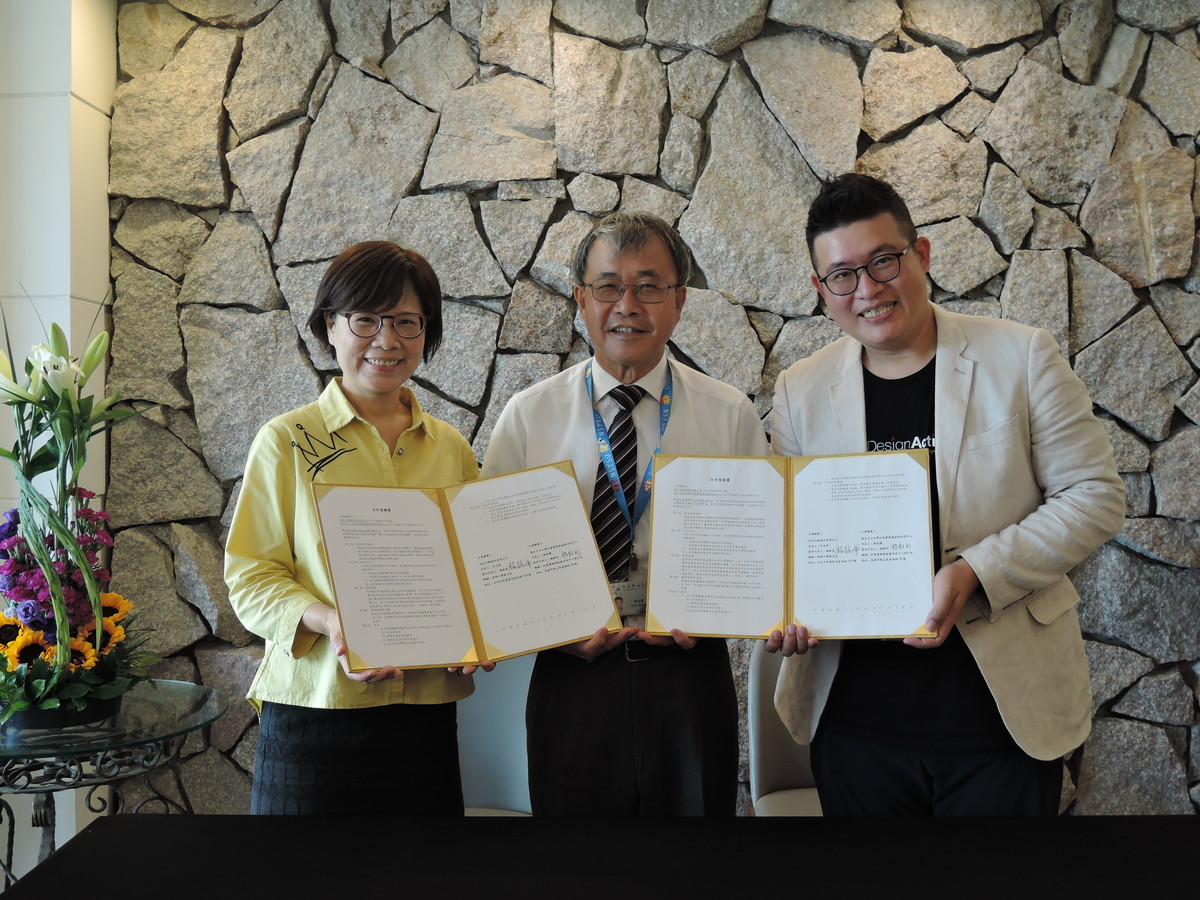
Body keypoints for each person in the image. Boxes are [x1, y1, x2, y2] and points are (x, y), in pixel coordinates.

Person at [767, 173, 1124, 816]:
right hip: (854, 726)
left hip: (999, 721)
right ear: (822, 293)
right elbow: (796, 537)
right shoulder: (799, 390)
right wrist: (784, 606)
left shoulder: (1021, 357)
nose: (868, 290)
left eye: (884, 261)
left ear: (921, 256)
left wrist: (974, 572)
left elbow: (1095, 494)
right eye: (842, 275)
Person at [483, 211, 769, 815]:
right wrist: (555, 636)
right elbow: (492, 563)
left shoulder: (729, 415)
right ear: (582, 300)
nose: (627, 304)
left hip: (689, 673)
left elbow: (762, 550)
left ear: (679, 301)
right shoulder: (530, 418)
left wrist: (725, 609)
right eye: (608, 286)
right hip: (572, 676)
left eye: (649, 286)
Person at [225, 241, 482, 816]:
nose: (387, 341)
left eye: (407, 322)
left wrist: (487, 627)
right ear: (329, 326)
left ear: (427, 333)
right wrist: (333, 622)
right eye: (366, 319)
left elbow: (476, 570)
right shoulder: (287, 441)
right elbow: (250, 577)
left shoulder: (450, 449)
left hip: (425, 716)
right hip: (316, 715)